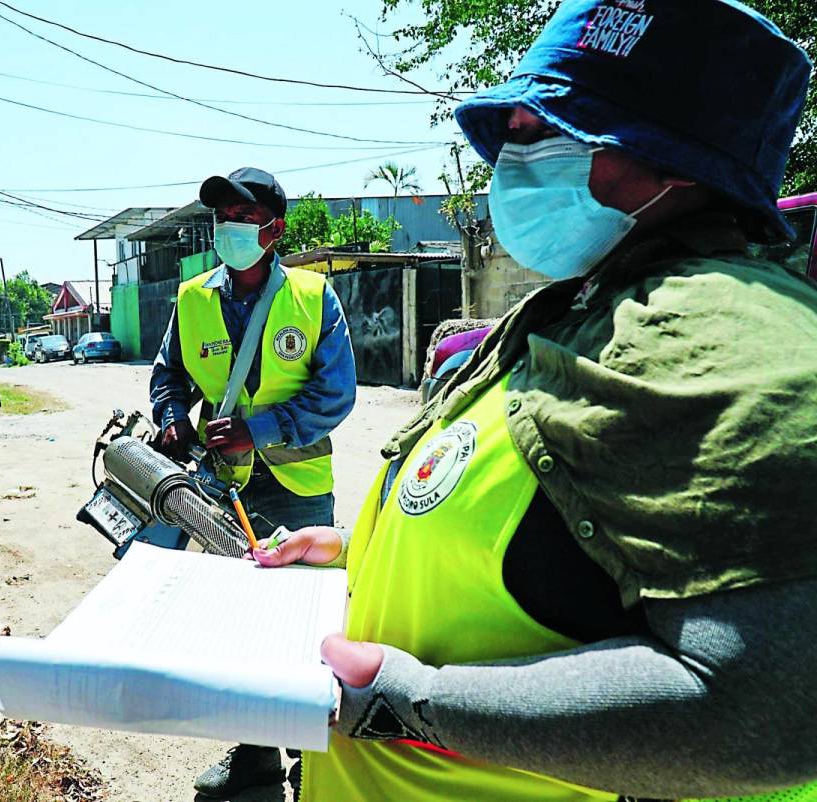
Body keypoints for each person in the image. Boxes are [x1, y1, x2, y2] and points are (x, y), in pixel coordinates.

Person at [252, 1, 817, 800]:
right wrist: (361, 547)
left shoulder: (718, 338)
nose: (511, 156)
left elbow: (771, 714)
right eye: (512, 130)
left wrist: (407, 702)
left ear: (677, 163)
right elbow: (559, 540)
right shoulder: (591, 308)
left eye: (547, 131)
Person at [150, 167, 356, 797]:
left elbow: (337, 394)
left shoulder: (313, 296)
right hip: (222, 487)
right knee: (240, 618)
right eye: (223, 218)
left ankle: (312, 757)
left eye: (244, 218)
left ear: (274, 228)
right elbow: (169, 376)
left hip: (297, 487)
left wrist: (257, 429)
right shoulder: (192, 298)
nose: (231, 229)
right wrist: (169, 420)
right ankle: (257, 755)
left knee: (306, 622)